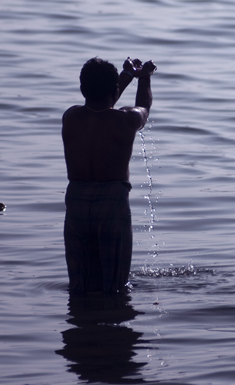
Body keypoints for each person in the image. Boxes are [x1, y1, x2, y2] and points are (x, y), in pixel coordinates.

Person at [62, 57, 156, 295]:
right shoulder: (126, 120)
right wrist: (143, 77)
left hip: (77, 202)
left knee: (79, 286)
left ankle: (80, 327)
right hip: (112, 202)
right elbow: (144, 107)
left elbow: (102, 104)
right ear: (114, 90)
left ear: (82, 89)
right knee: (114, 286)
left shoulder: (71, 117)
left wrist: (125, 76)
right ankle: (112, 325)